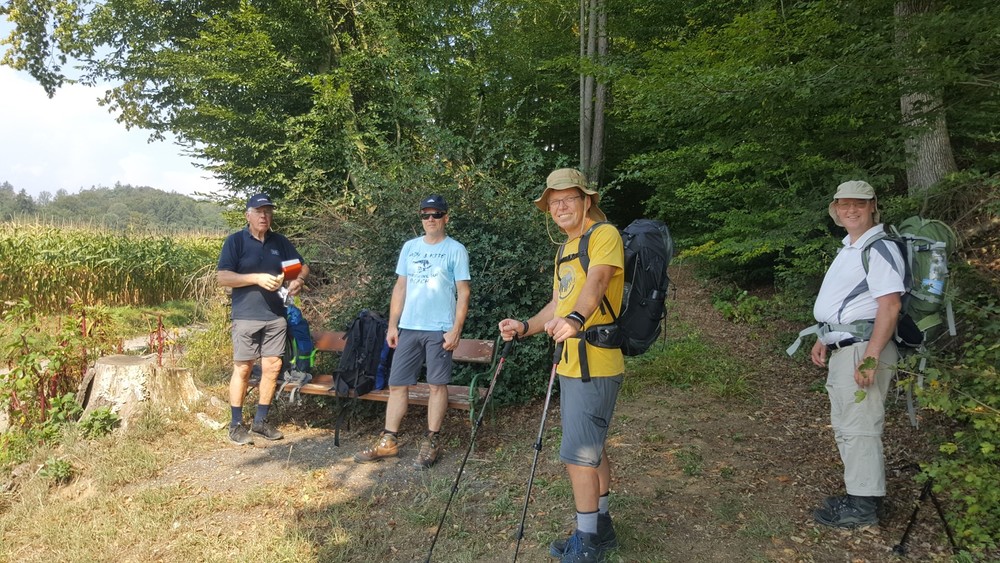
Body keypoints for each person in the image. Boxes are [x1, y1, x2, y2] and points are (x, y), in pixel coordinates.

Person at [498, 168, 625, 563]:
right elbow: (558, 303)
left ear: (586, 201)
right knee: (592, 446)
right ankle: (601, 528)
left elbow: (598, 282)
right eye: (554, 202)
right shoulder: (566, 249)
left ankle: (586, 544)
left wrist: (576, 320)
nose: (561, 207)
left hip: (595, 362)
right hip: (571, 364)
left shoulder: (603, 235)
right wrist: (524, 327)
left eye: (569, 198)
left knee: (577, 454)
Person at [807, 180, 905, 528]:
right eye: (844, 204)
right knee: (848, 425)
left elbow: (889, 306)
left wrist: (871, 356)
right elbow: (848, 305)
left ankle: (862, 508)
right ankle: (861, 495)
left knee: (860, 427)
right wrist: (826, 337)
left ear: (872, 206)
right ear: (835, 208)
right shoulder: (851, 246)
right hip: (847, 346)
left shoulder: (879, 247)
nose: (851, 210)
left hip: (863, 349)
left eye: (859, 204)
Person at [354, 194, 471, 470]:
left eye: (436, 214)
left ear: (445, 218)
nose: (430, 219)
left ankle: (432, 440)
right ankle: (389, 441)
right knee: (397, 383)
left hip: (439, 329)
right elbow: (400, 287)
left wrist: (456, 329)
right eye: (425, 215)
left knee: (436, 385)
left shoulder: (456, 249)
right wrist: (392, 325)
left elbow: (464, 292)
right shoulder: (410, 247)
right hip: (408, 328)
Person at [217, 193, 309, 446]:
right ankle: (236, 424)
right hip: (246, 316)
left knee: (272, 367)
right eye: (259, 212)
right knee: (244, 368)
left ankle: (260, 421)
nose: (264, 216)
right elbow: (223, 277)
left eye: (268, 212)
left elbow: (299, 267)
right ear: (248, 215)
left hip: (276, 316)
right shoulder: (236, 242)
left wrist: (297, 281)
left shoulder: (279, 242)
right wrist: (256, 278)